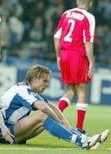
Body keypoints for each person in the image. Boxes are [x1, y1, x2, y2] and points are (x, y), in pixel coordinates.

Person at [1, 65, 109, 149]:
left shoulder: (31, 91)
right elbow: (44, 109)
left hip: (11, 131)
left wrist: (68, 128)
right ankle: (82, 141)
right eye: (45, 81)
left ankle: (85, 138)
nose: (47, 85)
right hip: (3, 131)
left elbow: (51, 106)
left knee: (45, 119)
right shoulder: (22, 90)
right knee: (43, 115)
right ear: (34, 79)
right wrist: (59, 123)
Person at [54, 0, 95, 133]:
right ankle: (79, 128)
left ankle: (55, 115)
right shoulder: (89, 17)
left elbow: (56, 36)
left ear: (77, 1)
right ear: (90, 2)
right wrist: (91, 63)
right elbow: (88, 41)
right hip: (78, 55)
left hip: (65, 53)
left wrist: (59, 56)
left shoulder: (66, 14)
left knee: (71, 89)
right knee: (82, 90)